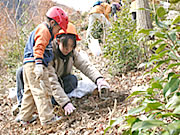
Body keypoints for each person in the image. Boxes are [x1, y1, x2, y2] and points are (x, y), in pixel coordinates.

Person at [15, 22, 110, 118]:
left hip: (61, 81)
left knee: (72, 80)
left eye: (71, 46)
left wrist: (99, 79)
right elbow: (51, 81)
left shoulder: (72, 53)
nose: (68, 50)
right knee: (21, 72)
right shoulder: (49, 53)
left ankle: (48, 102)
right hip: (46, 84)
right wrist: (65, 103)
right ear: (58, 40)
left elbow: (85, 65)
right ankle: (22, 105)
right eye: (66, 46)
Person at [17, 6, 68, 126]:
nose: (58, 31)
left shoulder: (47, 31)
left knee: (30, 91)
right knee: (42, 90)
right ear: (52, 22)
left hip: (29, 64)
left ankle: (25, 117)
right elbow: (38, 48)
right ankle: (47, 118)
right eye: (58, 28)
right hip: (35, 64)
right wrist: (39, 65)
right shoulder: (44, 30)